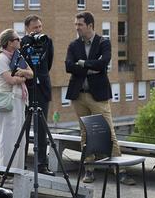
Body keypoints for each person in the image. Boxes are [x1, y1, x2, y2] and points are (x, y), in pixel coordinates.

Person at [65, 11, 133, 185]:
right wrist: (90, 67)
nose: (77, 28)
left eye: (79, 24)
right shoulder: (73, 45)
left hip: (99, 97)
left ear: (90, 25)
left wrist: (83, 63)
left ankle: (120, 171)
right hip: (78, 96)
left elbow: (104, 63)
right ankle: (89, 170)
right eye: (76, 24)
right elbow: (68, 66)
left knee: (108, 132)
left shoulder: (103, 42)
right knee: (85, 134)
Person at [0, 29, 33, 170]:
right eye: (17, 39)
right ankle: (5, 172)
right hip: (7, 101)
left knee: (20, 138)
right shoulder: (1, 59)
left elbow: (31, 73)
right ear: (10, 42)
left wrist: (22, 73)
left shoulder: (17, 56)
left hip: (19, 100)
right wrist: (23, 77)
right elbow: (10, 79)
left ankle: (17, 170)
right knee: (7, 139)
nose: (20, 41)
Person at [23, 15, 54, 174]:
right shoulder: (21, 43)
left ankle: (42, 164)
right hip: (26, 90)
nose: (39, 30)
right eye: (35, 28)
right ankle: (20, 162)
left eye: (40, 27)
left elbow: (47, 64)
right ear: (27, 29)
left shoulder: (47, 41)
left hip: (42, 89)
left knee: (41, 128)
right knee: (24, 127)